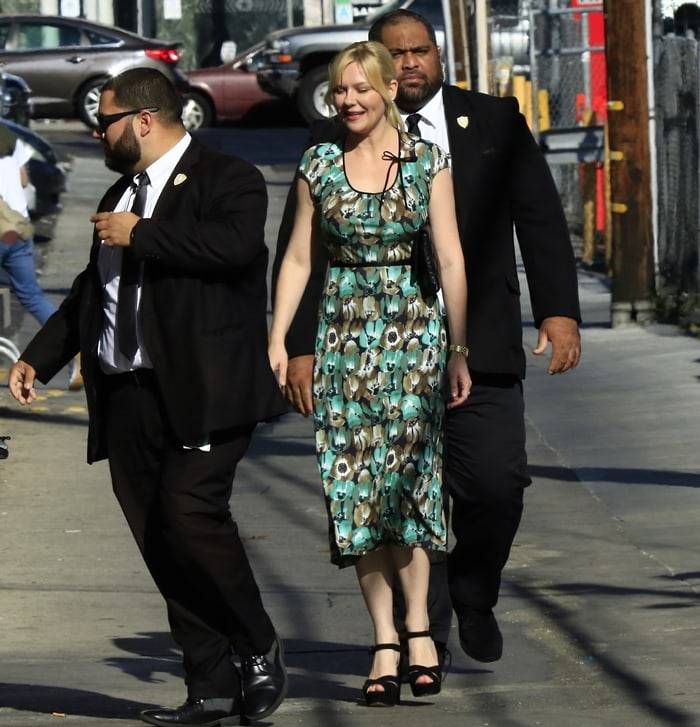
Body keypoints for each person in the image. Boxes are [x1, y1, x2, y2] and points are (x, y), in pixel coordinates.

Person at [271, 9, 582, 667]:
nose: (410, 62)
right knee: (396, 494)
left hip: (477, 345)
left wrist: (558, 311)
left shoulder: (494, 120)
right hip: (364, 351)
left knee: (495, 484)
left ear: (437, 56)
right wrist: (299, 343)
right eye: (396, 53)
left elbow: (540, 218)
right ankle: (421, 634)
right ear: (376, 69)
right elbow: (301, 254)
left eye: (420, 51)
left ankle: (472, 590)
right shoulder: (330, 142)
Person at [8, 68, 288, 727]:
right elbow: (92, 292)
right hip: (127, 392)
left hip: (203, 389)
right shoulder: (120, 191)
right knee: (161, 538)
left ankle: (256, 641)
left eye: (102, 120)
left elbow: (233, 248)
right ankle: (210, 684)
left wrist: (143, 233)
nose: (94, 131)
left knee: (191, 514)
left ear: (141, 119)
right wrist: (39, 356)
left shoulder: (229, 178)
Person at [269, 40, 470, 707]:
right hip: (342, 342)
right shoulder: (318, 164)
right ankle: (383, 638)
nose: (349, 101)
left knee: (409, 491)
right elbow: (298, 257)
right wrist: (279, 338)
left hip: (414, 340)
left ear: (387, 88)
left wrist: (459, 348)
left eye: (361, 88)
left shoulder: (424, 162)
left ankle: (420, 630)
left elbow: (450, 257)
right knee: (356, 495)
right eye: (340, 91)